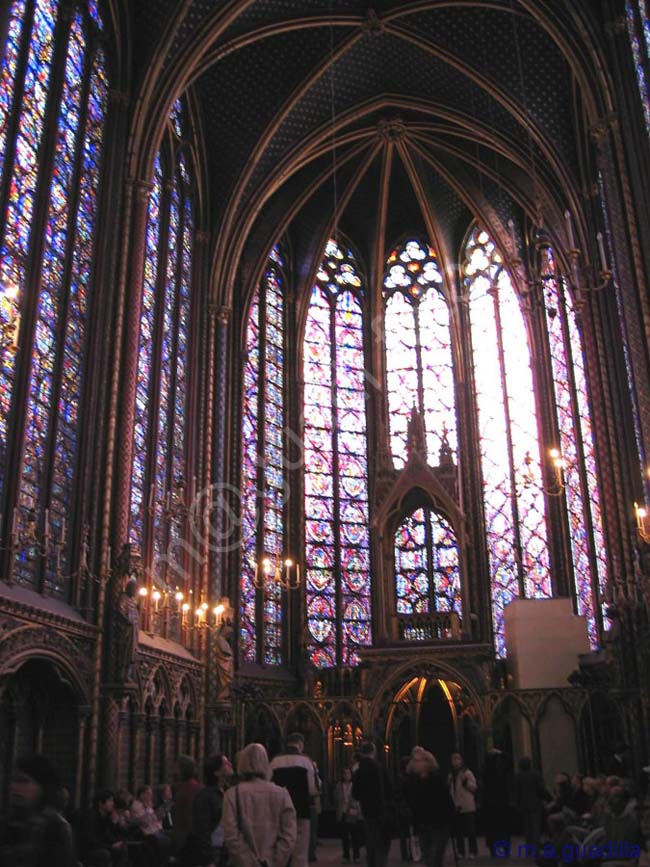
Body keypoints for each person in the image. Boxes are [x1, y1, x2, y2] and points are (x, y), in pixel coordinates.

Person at [223, 742, 297, 867]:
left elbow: (231, 836)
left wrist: (249, 862)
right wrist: (276, 862)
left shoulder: (232, 794)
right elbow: (289, 835)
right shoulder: (282, 794)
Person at [0, 753, 76, 867]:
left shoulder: (55, 827)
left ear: (42, 787)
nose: (14, 787)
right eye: (14, 780)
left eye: (23, 781)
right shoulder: (8, 822)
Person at [269, 732, 318, 867]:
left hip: (280, 811)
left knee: (281, 846)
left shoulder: (275, 761)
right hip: (301, 811)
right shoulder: (306, 761)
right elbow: (312, 789)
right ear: (300, 744)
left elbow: (269, 785)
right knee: (300, 850)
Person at [404, 747, 455, 867]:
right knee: (428, 856)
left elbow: (446, 800)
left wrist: (451, 818)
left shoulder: (436, 779)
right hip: (422, 823)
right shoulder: (412, 781)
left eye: (419, 761)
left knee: (434, 857)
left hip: (439, 823)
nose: (416, 764)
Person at [186, 753, 234, 867]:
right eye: (226, 763)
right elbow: (202, 829)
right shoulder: (205, 796)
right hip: (213, 852)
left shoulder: (229, 792)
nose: (230, 764)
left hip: (227, 850)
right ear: (217, 772)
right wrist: (209, 860)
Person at [352, 739, 393, 867]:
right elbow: (388, 789)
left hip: (366, 810)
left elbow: (356, 794)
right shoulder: (379, 767)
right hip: (381, 810)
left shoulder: (359, 771)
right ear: (373, 752)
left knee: (370, 840)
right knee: (380, 842)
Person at [78, 789, 129, 867]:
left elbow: (108, 835)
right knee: (105, 854)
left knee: (122, 849)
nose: (112, 804)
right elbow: (91, 841)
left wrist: (114, 824)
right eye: (110, 801)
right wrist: (111, 846)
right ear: (101, 803)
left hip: (102, 846)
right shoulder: (91, 816)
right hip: (88, 850)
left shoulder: (106, 816)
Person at [448, 752, 478, 859]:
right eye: (453, 759)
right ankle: (460, 851)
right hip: (456, 806)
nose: (455, 761)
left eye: (457, 759)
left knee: (471, 831)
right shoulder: (451, 775)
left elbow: (474, 787)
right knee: (459, 832)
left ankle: (472, 851)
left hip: (467, 805)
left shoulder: (467, 773)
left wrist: (466, 783)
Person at [482, 748, 511, 857]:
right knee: (503, 827)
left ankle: (494, 850)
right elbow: (508, 761)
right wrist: (500, 752)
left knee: (492, 828)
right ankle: (505, 849)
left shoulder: (486, 772)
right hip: (501, 802)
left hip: (490, 804)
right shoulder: (501, 772)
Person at [513, 757, 547, 849]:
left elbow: (516, 792)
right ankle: (536, 845)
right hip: (535, 803)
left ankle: (529, 845)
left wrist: (517, 804)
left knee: (527, 827)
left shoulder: (518, 776)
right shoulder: (536, 775)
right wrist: (545, 798)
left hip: (523, 804)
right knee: (536, 826)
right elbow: (541, 789)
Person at [172, 755, 202, 856]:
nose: (174, 771)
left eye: (176, 768)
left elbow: (184, 818)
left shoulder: (185, 790)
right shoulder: (196, 786)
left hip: (187, 839)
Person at [335, 767, 363, 863]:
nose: (347, 775)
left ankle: (356, 855)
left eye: (348, 773)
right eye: (345, 773)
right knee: (344, 836)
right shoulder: (339, 785)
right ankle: (346, 856)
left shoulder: (354, 785)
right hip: (342, 812)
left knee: (355, 835)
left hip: (353, 812)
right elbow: (335, 798)